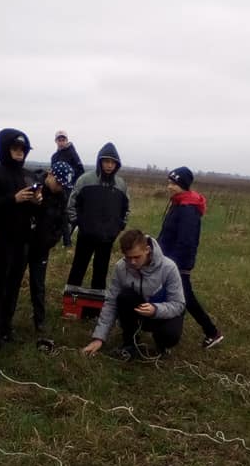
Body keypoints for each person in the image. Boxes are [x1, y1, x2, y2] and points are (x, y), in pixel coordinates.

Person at [0, 128, 40, 349]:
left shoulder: (29, 175)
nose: (20, 152)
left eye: (23, 149)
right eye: (15, 148)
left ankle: (6, 325)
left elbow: (38, 211)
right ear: (5, 149)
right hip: (1, 238)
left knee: (14, 284)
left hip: (23, 239)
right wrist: (12, 199)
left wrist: (36, 202)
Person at [82, 229, 185, 360]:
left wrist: (155, 310)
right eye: (128, 257)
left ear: (147, 249)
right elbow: (111, 302)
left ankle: (162, 345)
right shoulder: (121, 267)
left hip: (162, 312)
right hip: (140, 311)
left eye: (137, 257)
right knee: (124, 296)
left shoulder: (169, 267)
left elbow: (179, 304)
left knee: (170, 335)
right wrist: (99, 338)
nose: (132, 262)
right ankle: (129, 342)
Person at [158, 167, 223, 348]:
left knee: (185, 297)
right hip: (169, 259)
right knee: (177, 295)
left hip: (178, 263)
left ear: (183, 186)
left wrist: (174, 264)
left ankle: (212, 332)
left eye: (174, 184)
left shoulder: (187, 209)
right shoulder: (179, 203)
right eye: (169, 182)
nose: (170, 187)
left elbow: (186, 241)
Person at [67, 142, 129, 291]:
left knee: (101, 272)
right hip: (86, 235)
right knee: (78, 268)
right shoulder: (85, 180)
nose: (109, 165)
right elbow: (72, 204)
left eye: (112, 162)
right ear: (99, 161)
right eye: (106, 161)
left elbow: (126, 209)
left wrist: (119, 226)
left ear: (117, 164)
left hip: (107, 237)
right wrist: (79, 222)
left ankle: (95, 308)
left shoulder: (121, 184)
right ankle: (71, 305)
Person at [28, 161, 74, 332]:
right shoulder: (32, 184)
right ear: (50, 174)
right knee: (12, 281)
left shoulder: (61, 195)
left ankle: (39, 321)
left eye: (64, 185)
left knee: (38, 284)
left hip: (42, 246)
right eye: (59, 183)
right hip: (24, 243)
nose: (61, 187)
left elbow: (63, 219)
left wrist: (59, 239)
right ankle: (4, 322)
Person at [51, 130, 85, 247]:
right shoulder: (54, 156)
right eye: (59, 140)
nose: (61, 142)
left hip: (68, 189)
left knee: (64, 214)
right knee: (56, 213)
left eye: (63, 139)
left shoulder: (72, 153)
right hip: (55, 189)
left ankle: (67, 242)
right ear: (56, 141)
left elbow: (80, 170)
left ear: (66, 140)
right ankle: (56, 238)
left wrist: (70, 180)